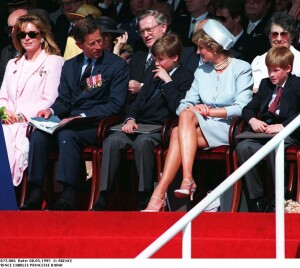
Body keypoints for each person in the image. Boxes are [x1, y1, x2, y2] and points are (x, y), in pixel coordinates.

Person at [143, 19, 253, 212]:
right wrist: (195, 109)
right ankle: (183, 181)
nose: (197, 52)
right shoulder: (202, 71)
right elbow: (183, 105)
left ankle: (162, 193)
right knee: (183, 119)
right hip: (200, 128)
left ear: (215, 47)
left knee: (178, 131)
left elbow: (241, 107)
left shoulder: (241, 67)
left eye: (201, 48)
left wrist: (208, 111)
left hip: (227, 127)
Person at [21, 17, 129, 211]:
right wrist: (51, 110)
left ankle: (67, 194)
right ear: (79, 45)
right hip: (69, 120)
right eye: (92, 43)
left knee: (67, 135)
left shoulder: (116, 65)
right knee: (38, 135)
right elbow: (64, 100)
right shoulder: (70, 66)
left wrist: (81, 117)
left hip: (96, 123)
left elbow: (116, 105)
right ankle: (35, 192)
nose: (98, 46)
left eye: (100, 40)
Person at [92, 33, 194, 211]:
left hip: (160, 126)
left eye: (161, 59)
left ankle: (145, 194)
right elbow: (137, 102)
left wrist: (168, 82)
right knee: (112, 140)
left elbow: (178, 108)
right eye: (155, 58)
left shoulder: (186, 77)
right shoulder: (151, 73)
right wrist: (130, 119)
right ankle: (104, 194)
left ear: (175, 57)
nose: (156, 63)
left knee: (143, 143)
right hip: (139, 124)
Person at [0, 13, 63, 187]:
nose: (27, 38)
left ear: (42, 36)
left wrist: (21, 116)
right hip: (8, 120)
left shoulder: (54, 62)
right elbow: (2, 96)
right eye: (22, 35)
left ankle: (9, 190)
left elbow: (50, 98)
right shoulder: (13, 63)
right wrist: (4, 112)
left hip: (33, 122)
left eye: (32, 34)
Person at [236, 46, 300, 212]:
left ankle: (280, 197)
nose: (271, 74)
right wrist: (252, 120)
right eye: (269, 70)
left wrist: (284, 126)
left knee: (274, 148)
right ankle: (257, 199)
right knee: (243, 147)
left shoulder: (297, 84)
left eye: (276, 70)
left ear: (288, 68)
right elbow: (248, 108)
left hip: (287, 134)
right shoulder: (266, 85)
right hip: (265, 133)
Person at [251, 12, 300, 92]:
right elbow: (255, 90)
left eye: (284, 34)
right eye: (274, 34)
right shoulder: (258, 61)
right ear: (269, 36)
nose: (279, 39)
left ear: (291, 36)